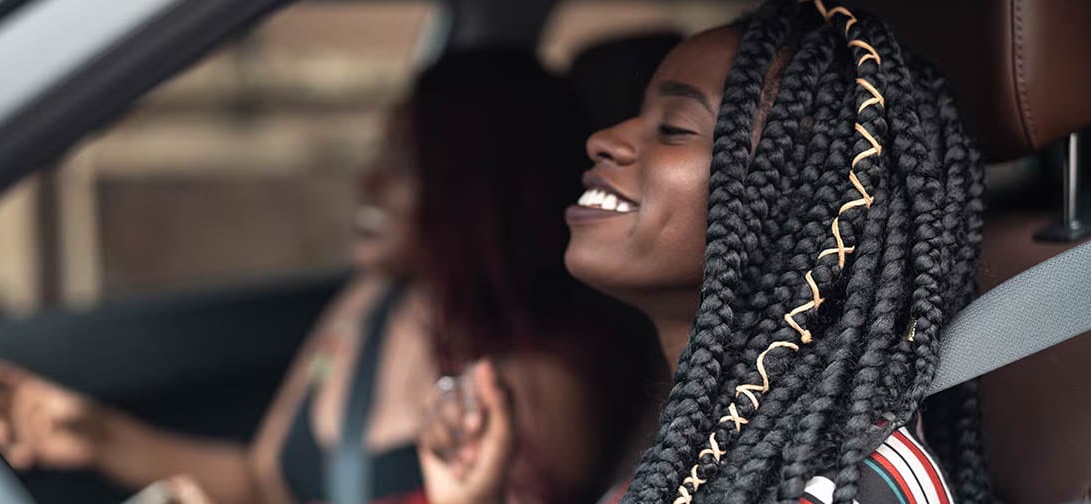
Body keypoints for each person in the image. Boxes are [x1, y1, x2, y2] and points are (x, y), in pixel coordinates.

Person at [0, 50, 664, 504]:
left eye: (405, 164)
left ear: (476, 188)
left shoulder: (537, 389)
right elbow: (267, 482)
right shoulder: (369, 307)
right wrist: (95, 435)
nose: (368, 182)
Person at [419, 1, 989, 502]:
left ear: (798, 202)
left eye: (673, 128)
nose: (605, 139)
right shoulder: (681, 463)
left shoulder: (854, 483)